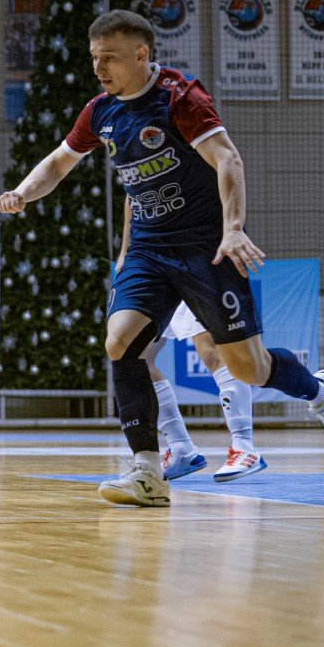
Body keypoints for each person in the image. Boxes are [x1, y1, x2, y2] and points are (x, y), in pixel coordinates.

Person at [0, 9, 324, 508]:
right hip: (148, 248)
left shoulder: (180, 99)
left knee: (248, 368)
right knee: (120, 343)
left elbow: (228, 158)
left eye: (110, 59)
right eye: (94, 58)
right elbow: (60, 161)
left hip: (205, 248)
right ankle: (147, 470)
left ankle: (317, 391)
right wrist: (22, 191)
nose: (99, 69)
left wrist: (233, 230)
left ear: (141, 55)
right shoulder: (100, 111)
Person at [119, 199, 264, 483]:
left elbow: (227, 171)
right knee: (136, 357)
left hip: (193, 255)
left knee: (211, 350)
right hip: (154, 261)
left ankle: (245, 447)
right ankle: (181, 448)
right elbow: (132, 196)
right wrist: (126, 251)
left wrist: (231, 230)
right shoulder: (135, 160)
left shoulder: (196, 155)